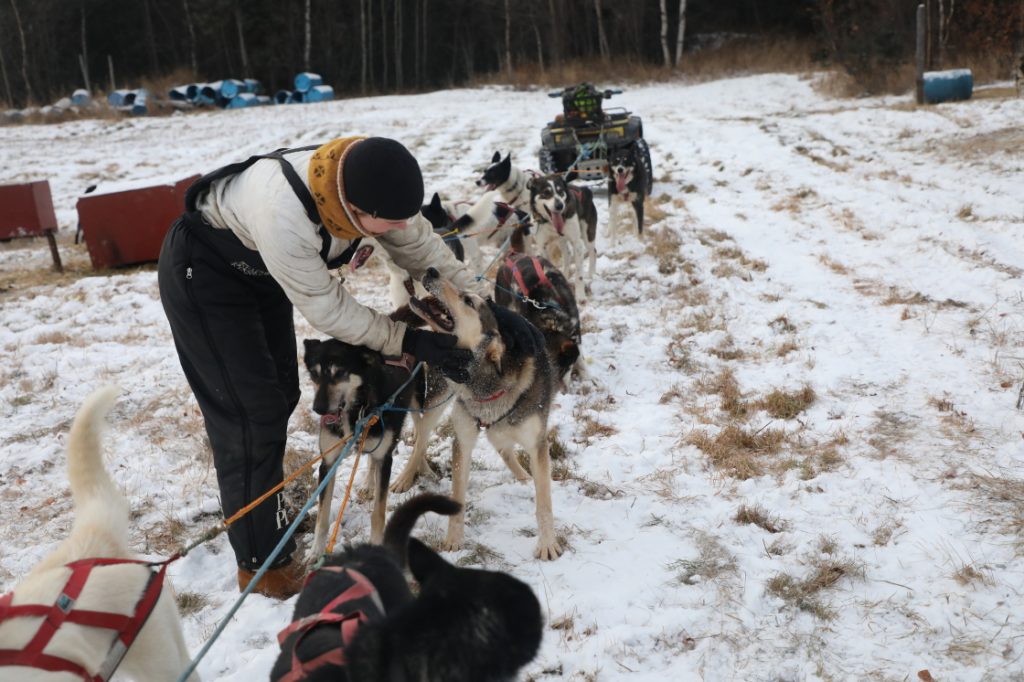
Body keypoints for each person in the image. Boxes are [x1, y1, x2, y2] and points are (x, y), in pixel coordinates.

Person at [157, 137, 480, 599]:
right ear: (352, 207)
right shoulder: (283, 214)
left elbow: (423, 248)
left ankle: (266, 509)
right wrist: (408, 339)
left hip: (262, 272)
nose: (400, 226)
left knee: (283, 394)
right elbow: (328, 310)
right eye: (389, 222)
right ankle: (262, 563)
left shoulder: (370, 181)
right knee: (251, 413)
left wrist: (479, 301)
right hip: (206, 273)